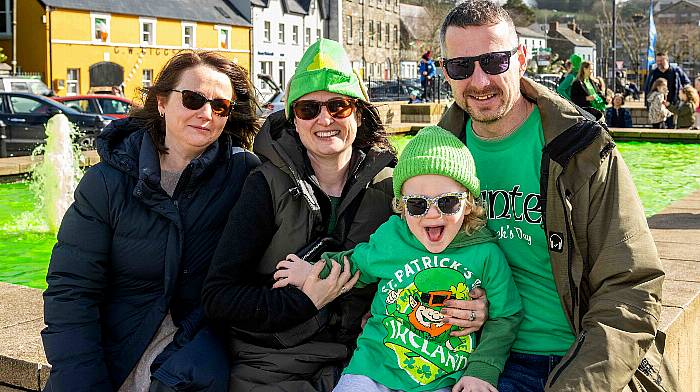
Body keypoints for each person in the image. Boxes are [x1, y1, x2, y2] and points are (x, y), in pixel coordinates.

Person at [202, 39, 490, 391]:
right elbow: (219, 296)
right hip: (274, 363)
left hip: (376, 358)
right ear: (294, 118)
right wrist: (304, 302)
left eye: (338, 106)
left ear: (358, 111)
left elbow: (451, 252)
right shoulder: (265, 186)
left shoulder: (393, 189)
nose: (324, 119)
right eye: (308, 109)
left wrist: (474, 305)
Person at [436, 1, 677, 391]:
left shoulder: (582, 148)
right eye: (462, 67)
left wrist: (576, 384)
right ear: (445, 70)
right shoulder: (434, 156)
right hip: (474, 355)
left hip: (575, 354)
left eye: (494, 62)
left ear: (521, 58)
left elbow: (632, 286)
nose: (479, 82)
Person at [41, 51, 261, 391]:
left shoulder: (243, 173)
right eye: (192, 99)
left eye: (220, 106)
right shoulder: (107, 182)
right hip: (112, 344)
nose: (206, 114)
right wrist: (81, 379)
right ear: (161, 102)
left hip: (190, 348)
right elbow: (71, 290)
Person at [275, 125, 523, 392]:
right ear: (402, 208)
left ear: (469, 204)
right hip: (373, 369)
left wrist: (482, 370)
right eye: (417, 204)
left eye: (448, 202)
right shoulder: (393, 238)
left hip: (442, 379)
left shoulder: (485, 253)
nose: (432, 214)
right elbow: (354, 266)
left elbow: (506, 316)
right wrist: (311, 271)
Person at [644, 52, 691, 127]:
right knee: (657, 129)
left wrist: (684, 95)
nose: (659, 63)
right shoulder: (653, 72)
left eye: (661, 61)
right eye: (657, 61)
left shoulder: (675, 71)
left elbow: (687, 83)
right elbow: (647, 88)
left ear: (667, 60)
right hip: (658, 107)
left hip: (673, 105)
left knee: (671, 127)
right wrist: (648, 104)